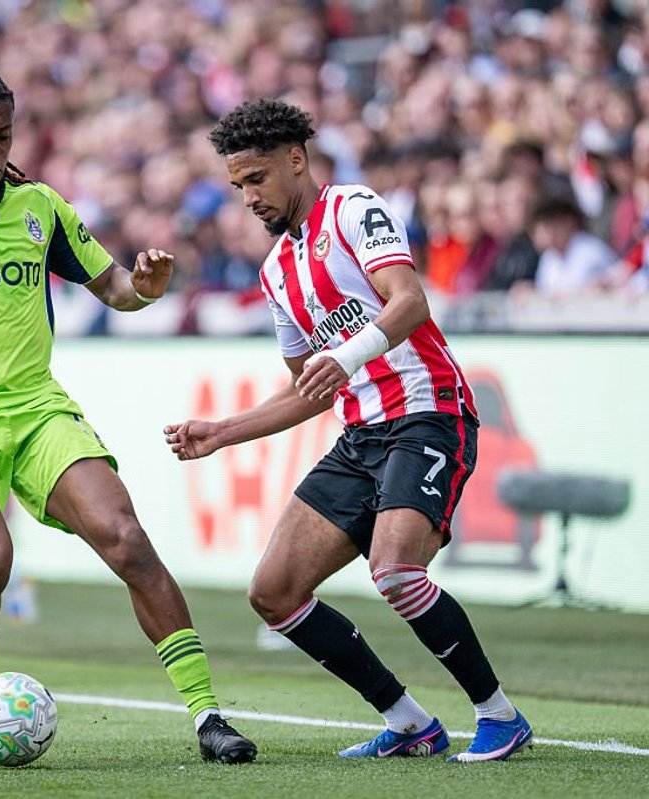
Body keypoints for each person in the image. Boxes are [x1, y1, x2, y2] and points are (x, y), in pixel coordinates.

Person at [0, 67, 256, 766]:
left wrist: (144, 288)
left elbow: (115, 287)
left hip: (35, 409)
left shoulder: (41, 206)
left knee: (126, 539)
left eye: (3, 135)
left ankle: (208, 714)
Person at [165, 99, 533, 763]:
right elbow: (309, 387)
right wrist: (223, 431)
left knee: (395, 569)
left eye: (257, 179)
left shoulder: (354, 207)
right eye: (238, 184)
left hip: (428, 408)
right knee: (272, 591)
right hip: (361, 434)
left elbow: (409, 299)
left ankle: (498, 714)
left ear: (296, 160)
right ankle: (409, 720)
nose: (247, 196)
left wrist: (349, 355)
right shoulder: (276, 271)